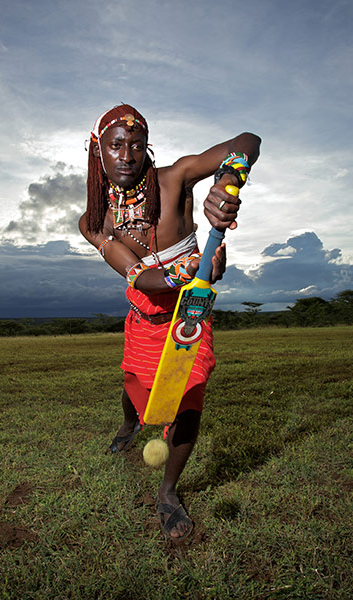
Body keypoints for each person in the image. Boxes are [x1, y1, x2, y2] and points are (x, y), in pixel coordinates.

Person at [79, 104, 261, 541]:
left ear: (147, 150)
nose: (127, 155)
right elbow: (143, 278)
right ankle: (129, 423)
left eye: (136, 145)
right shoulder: (95, 220)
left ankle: (167, 493)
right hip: (146, 315)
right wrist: (196, 268)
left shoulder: (176, 178)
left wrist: (228, 179)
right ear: (97, 152)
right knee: (134, 383)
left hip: (189, 318)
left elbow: (246, 141)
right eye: (115, 145)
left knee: (189, 397)